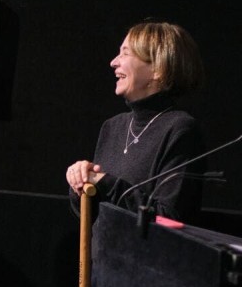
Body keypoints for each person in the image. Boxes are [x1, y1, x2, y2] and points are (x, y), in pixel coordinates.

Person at [65, 21, 206, 223]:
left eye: (125, 53)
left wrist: (103, 182)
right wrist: (80, 184)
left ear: (158, 68)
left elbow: (170, 218)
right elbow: (93, 217)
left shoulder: (180, 129)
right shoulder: (112, 127)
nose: (113, 62)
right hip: (103, 255)